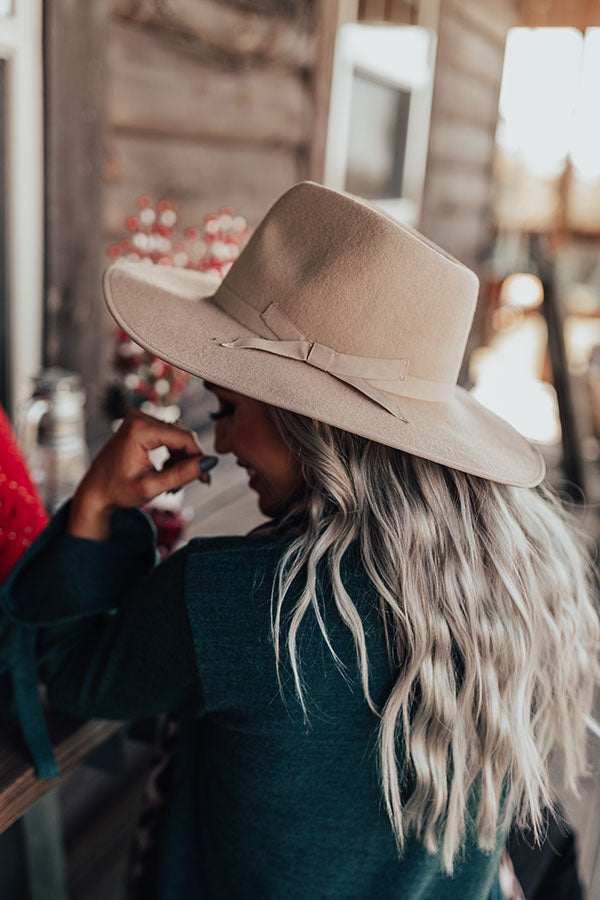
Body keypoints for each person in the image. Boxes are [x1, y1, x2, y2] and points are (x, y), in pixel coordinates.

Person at [1, 182, 598, 899]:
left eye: (228, 407)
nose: (219, 436)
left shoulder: (237, 599)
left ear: (307, 424)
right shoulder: (512, 577)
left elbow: (72, 673)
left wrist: (96, 503)